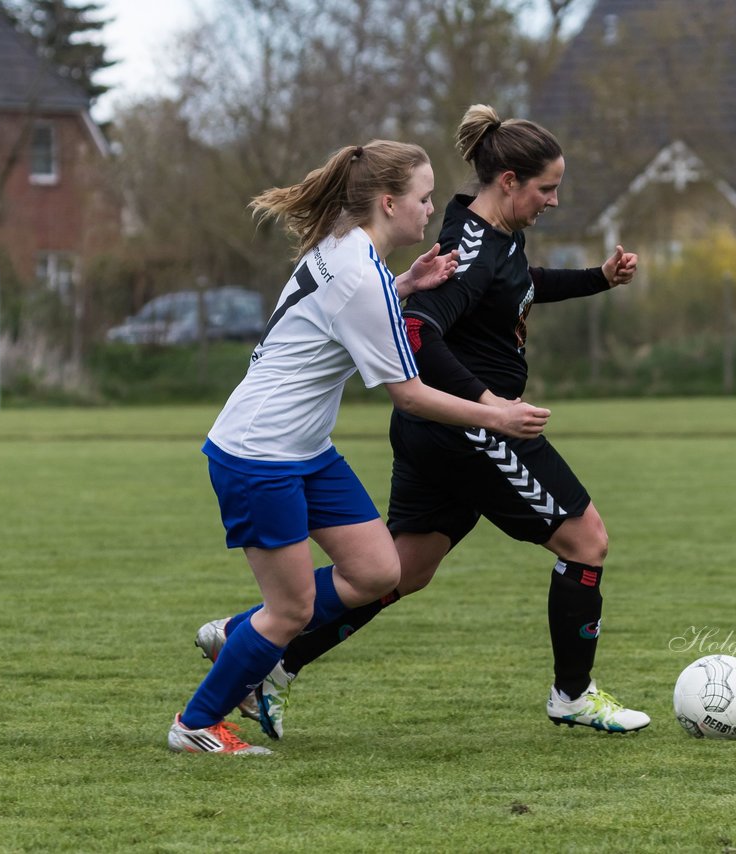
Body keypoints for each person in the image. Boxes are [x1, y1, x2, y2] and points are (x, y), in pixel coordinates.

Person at [200, 105, 649, 740]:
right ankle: (572, 695)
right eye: (547, 188)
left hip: (443, 433)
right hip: (465, 429)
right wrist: (490, 405)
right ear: (511, 180)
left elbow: (518, 283)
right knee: (587, 540)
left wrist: (596, 280)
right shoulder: (468, 247)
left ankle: (269, 660)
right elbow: (419, 330)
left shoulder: (495, 238)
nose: (555, 201)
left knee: (400, 571)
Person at [167, 139, 551, 755]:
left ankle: (239, 635)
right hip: (258, 452)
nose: (432, 211)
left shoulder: (349, 252)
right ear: (390, 201)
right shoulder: (358, 273)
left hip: (303, 448)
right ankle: (196, 723)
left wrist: (406, 284)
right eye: (424, 199)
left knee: (378, 571)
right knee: (290, 611)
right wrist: (494, 414)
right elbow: (411, 396)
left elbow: (347, 310)